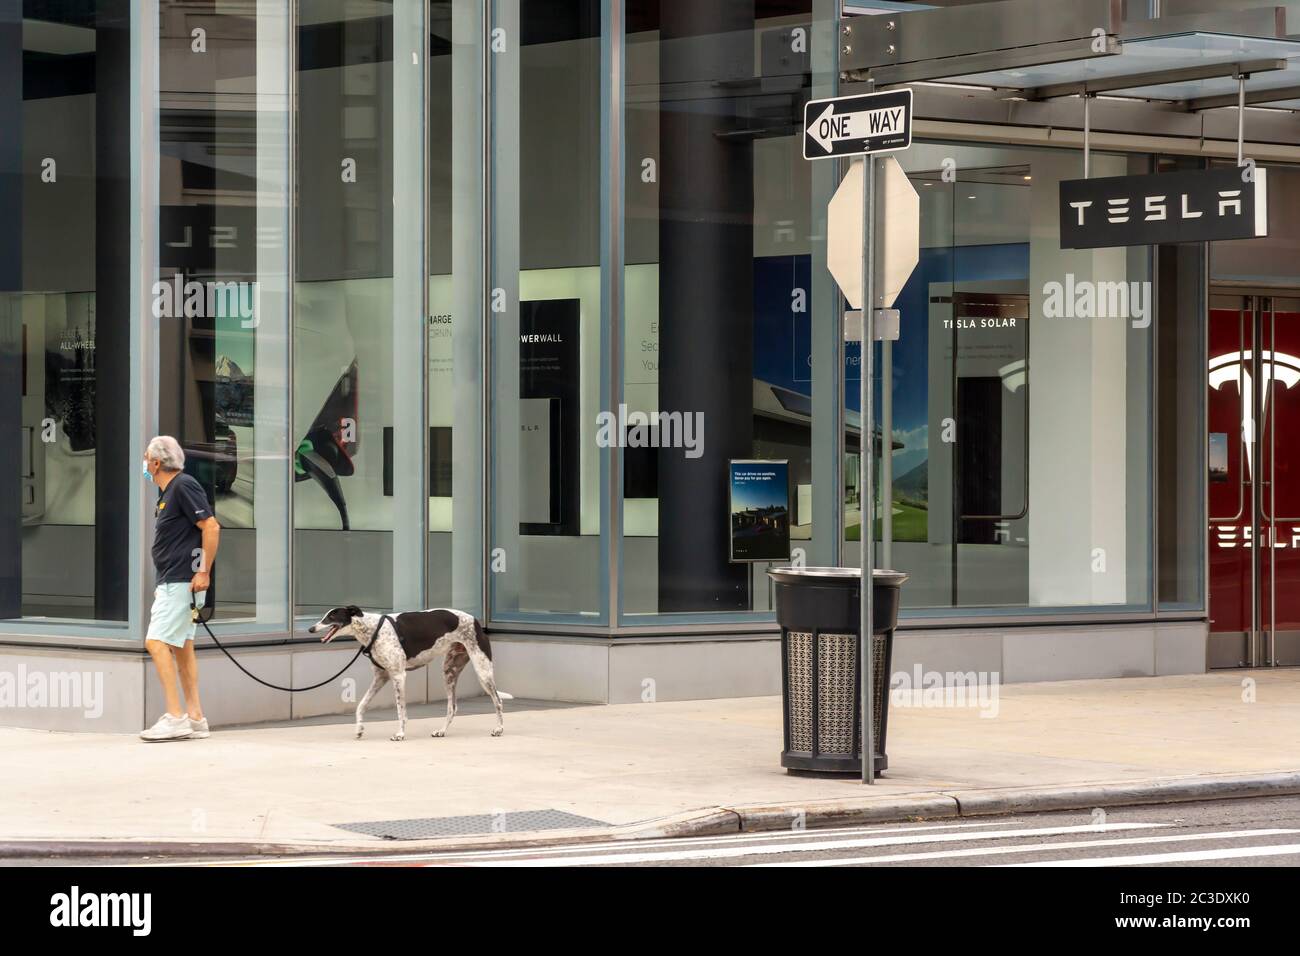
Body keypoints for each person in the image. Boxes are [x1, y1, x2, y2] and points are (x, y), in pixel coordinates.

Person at [140, 436, 221, 741]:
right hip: (175, 580)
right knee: (181, 647)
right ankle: (196, 718)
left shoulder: (182, 486)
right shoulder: (169, 493)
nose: (145, 464)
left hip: (180, 581)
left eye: (147, 458)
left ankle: (175, 717)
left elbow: (211, 526)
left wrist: (204, 571)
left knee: (156, 642)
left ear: (157, 462)